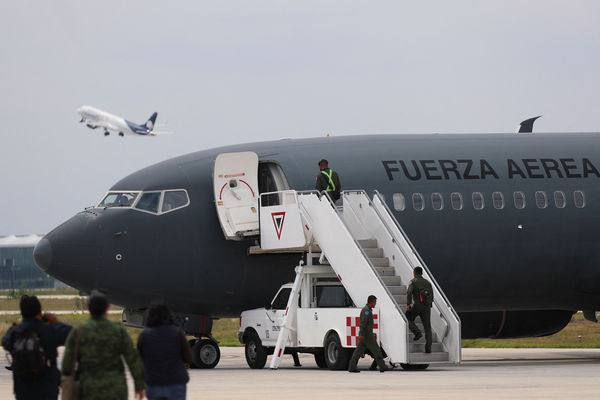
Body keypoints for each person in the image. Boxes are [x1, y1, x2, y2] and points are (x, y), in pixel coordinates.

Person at [62, 290, 145, 400]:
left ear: (88, 308)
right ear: (107, 307)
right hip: (115, 390)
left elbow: (67, 365)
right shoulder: (118, 331)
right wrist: (139, 386)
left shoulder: (78, 332)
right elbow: (133, 360)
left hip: (89, 390)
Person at [2, 295, 72, 400]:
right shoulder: (49, 331)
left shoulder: (14, 333)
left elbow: (5, 342)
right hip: (47, 391)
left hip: (23, 391)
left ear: (22, 313)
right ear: (39, 312)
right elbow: (72, 333)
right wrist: (56, 322)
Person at [137, 300, 192, 400]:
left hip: (154, 383)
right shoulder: (177, 333)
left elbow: (139, 360)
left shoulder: (144, 335)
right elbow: (188, 358)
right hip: (176, 382)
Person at [348, 295, 387, 373]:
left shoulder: (368, 310)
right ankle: (382, 367)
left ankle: (352, 367)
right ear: (371, 302)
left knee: (358, 352)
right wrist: (362, 334)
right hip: (367, 335)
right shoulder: (366, 311)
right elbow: (363, 323)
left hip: (365, 335)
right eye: (375, 302)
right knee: (377, 350)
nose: (375, 304)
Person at [406, 266, 434, 353]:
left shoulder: (413, 282)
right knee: (427, 327)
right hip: (427, 307)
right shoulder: (428, 283)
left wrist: (408, 304)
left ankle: (417, 332)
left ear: (414, 273)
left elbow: (409, 293)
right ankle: (428, 347)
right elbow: (431, 295)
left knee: (408, 319)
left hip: (417, 305)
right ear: (421, 273)